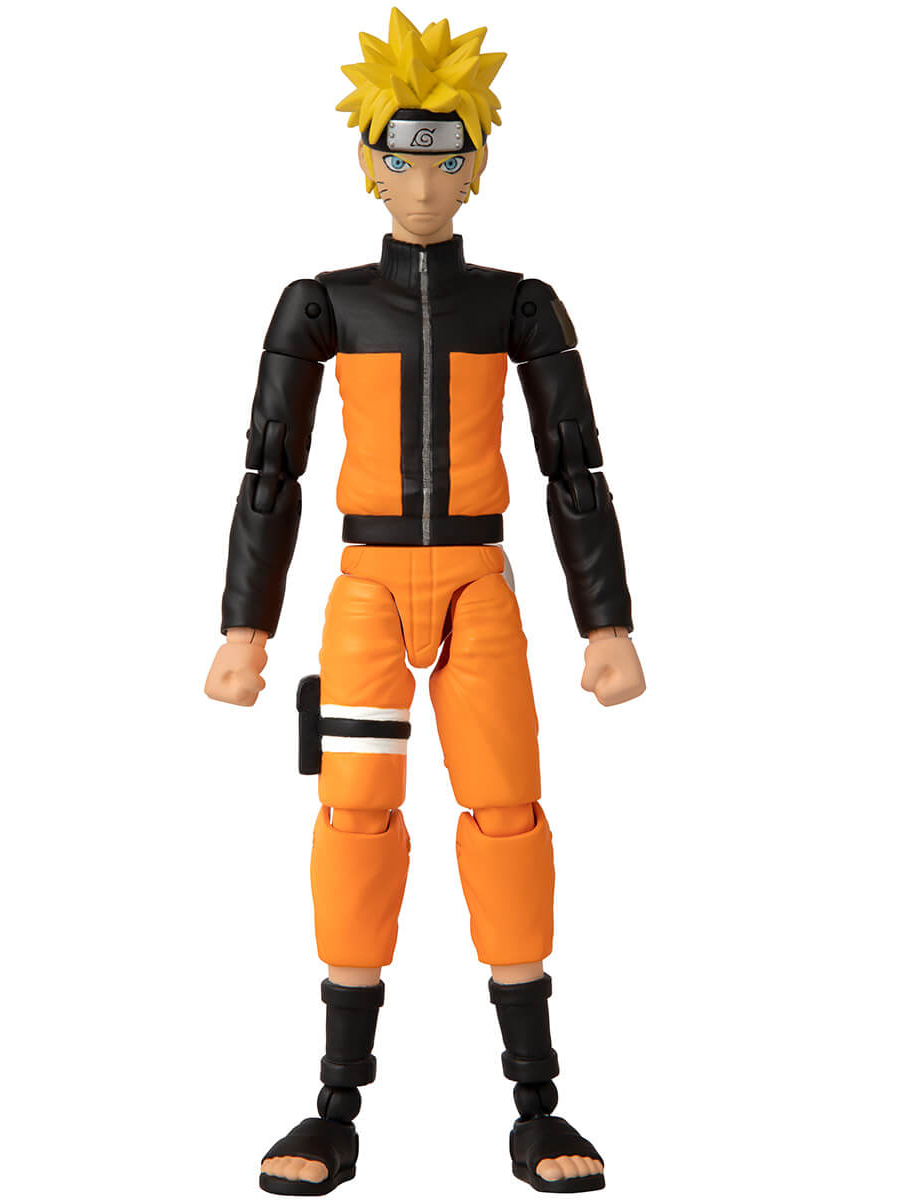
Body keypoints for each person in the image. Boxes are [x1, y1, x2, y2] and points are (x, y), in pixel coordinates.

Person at [205, 9, 645, 1193]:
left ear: (479, 164)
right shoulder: (322, 306)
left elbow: (574, 468)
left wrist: (607, 622)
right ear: (367, 161)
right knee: (353, 815)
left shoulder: (520, 307)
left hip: (476, 587)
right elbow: (271, 469)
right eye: (400, 156)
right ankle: (333, 1106)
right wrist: (245, 625)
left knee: (508, 816)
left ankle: (538, 1104)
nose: (423, 182)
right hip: (364, 594)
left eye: (447, 156)